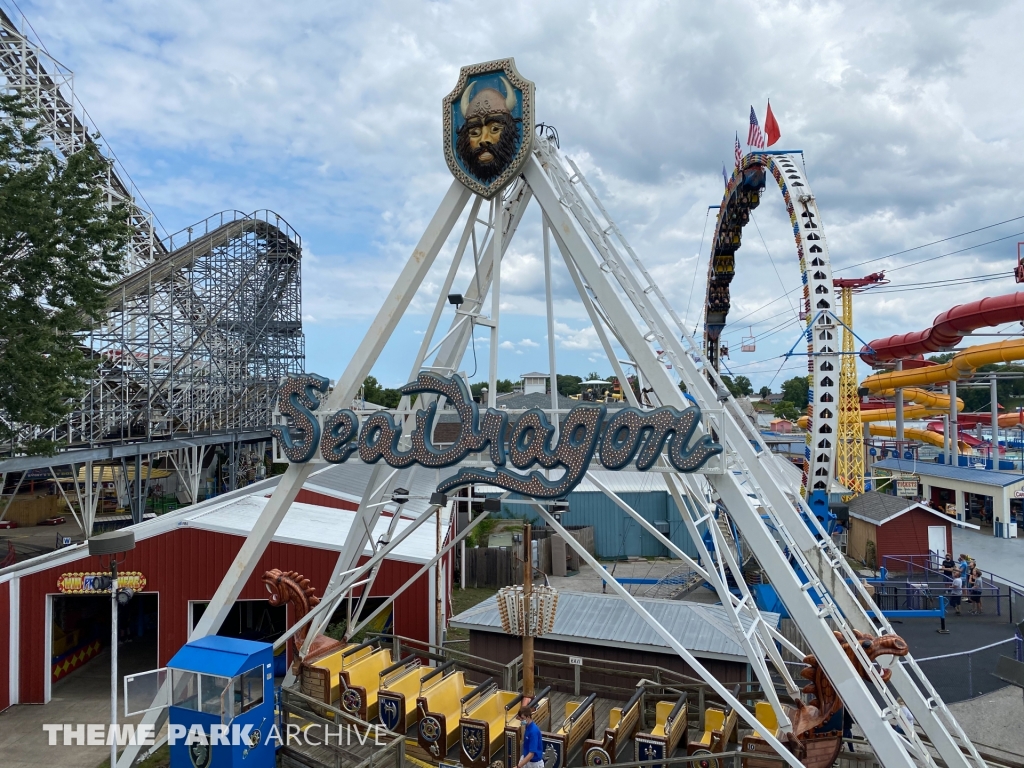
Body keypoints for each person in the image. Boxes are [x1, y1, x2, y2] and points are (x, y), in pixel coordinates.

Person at [517, 702, 544, 768]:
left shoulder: (533, 731)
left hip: (534, 764)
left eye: (522, 718)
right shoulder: (528, 726)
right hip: (526, 759)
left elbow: (531, 754)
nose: (521, 720)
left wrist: (518, 766)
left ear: (528, 717)